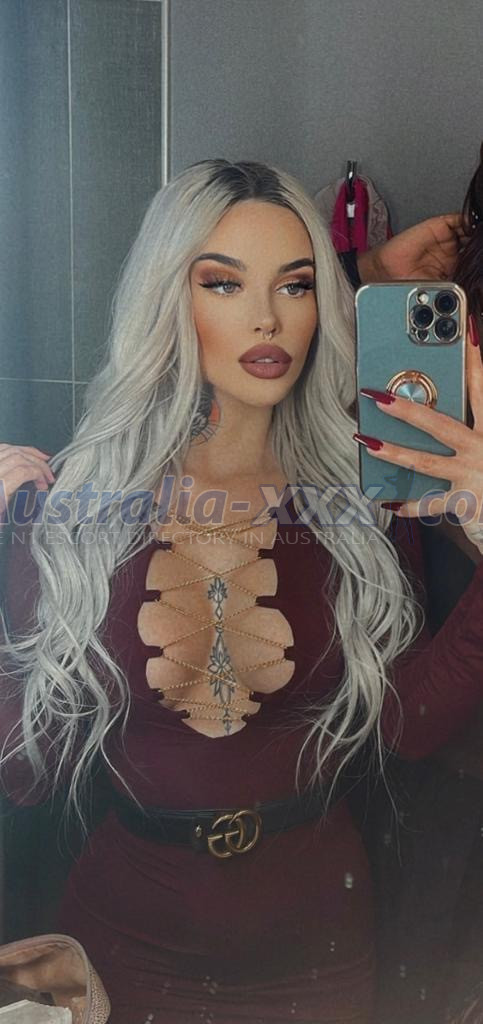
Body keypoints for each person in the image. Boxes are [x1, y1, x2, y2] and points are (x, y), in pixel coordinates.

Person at [1, 159, 483, 1024]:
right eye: (222, 283)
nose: (267, 318)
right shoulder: (78, 504)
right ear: (166, 302)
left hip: (319, 956)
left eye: (294, 285)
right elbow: (29, 772)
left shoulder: (359, 502)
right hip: (121, 949)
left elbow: (404, 727)